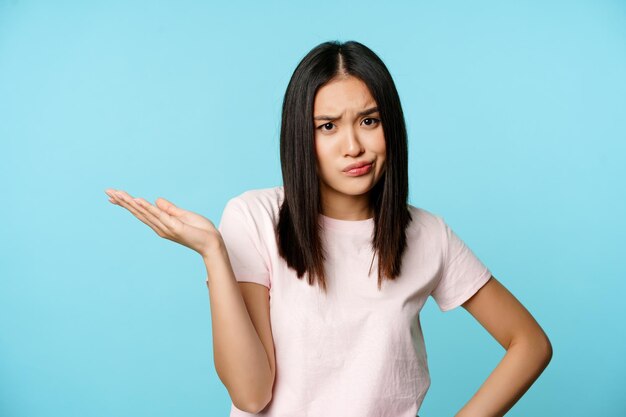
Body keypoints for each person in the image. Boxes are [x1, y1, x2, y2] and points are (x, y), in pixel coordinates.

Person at [105, 40, 553, 417]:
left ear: (390, 126)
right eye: (327, 126)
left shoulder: (427, 234)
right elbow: (251, 393)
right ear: (302, 137)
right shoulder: (253, 217)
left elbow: (530, 343)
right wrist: (214, 255)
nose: (353, 145)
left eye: (369, 121)